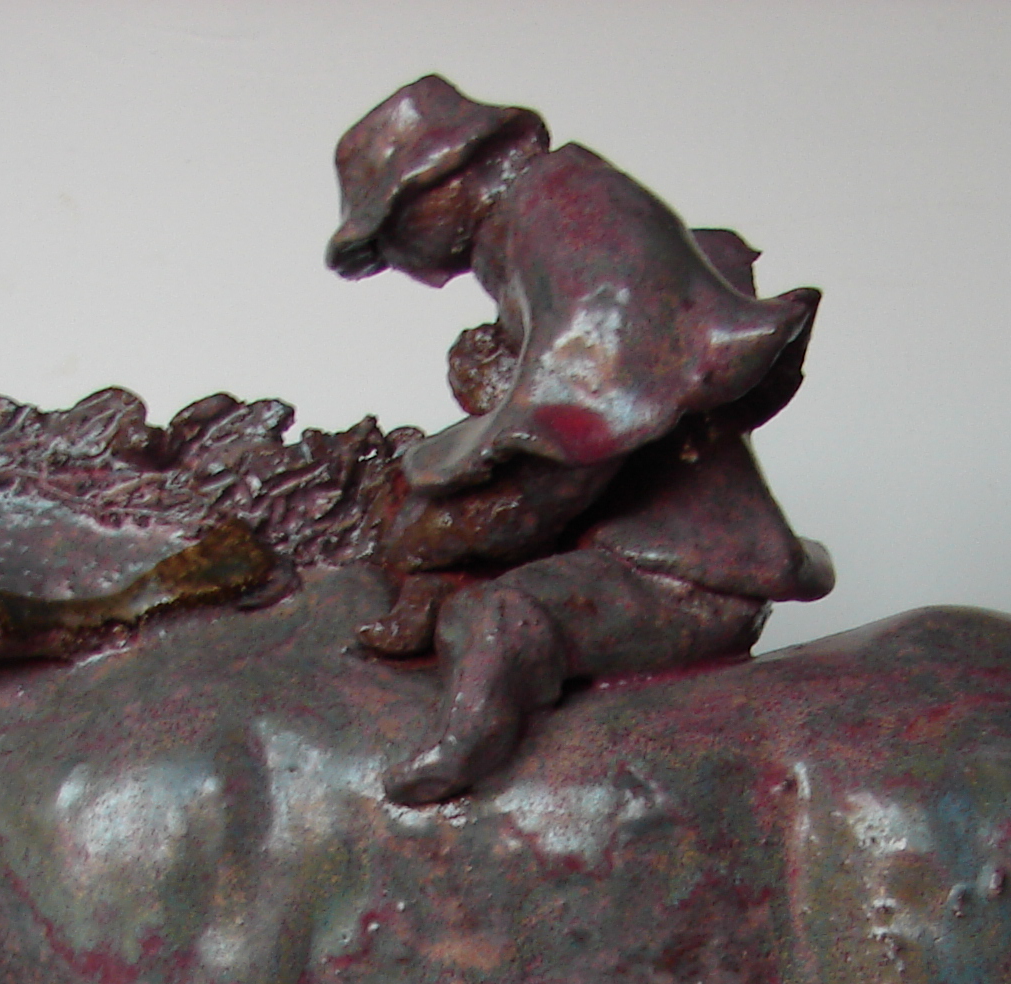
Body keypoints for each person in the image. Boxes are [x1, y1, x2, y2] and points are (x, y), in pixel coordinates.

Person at [328, 76, 837, 804]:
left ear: (441, 185)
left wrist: (448, 532)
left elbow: (579, 437)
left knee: (495, 619)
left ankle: (464, 755)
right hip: (636, 552)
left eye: (389, 233)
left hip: (676, 571)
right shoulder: (538, 230)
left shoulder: (572, 219)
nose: (396, 259)